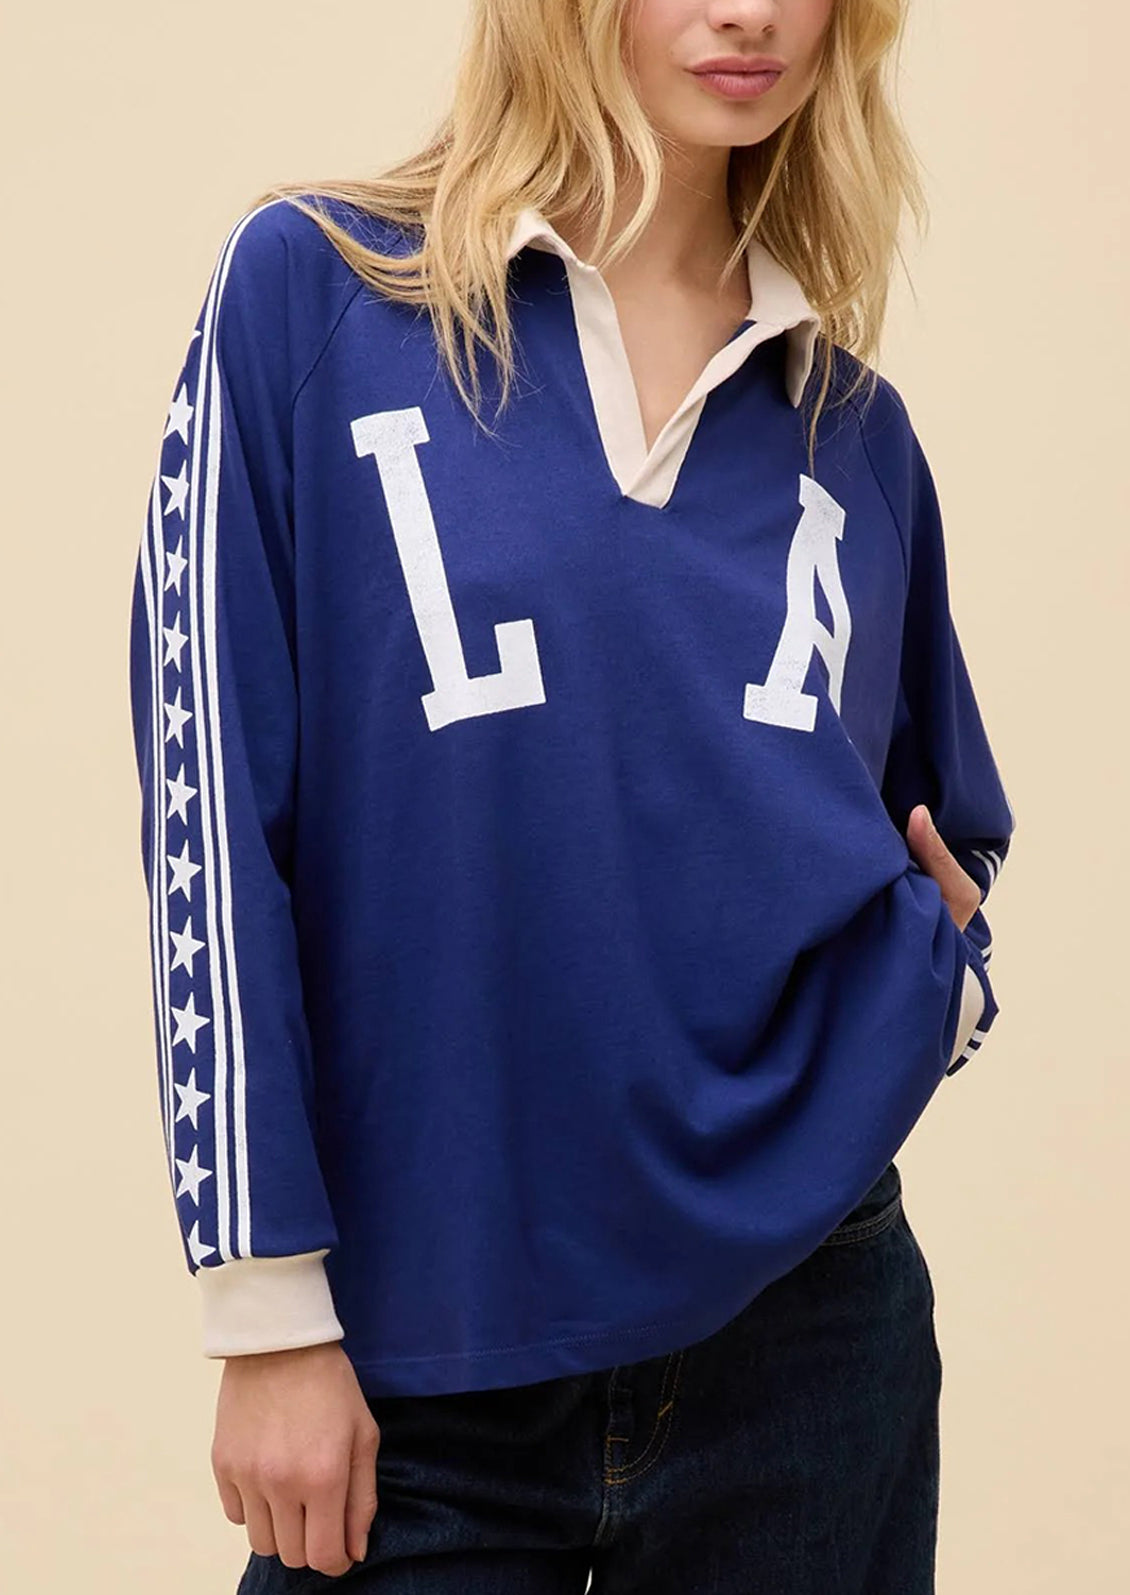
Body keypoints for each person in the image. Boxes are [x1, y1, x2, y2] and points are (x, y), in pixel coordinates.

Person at [127, 1, 1016, 1590]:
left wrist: (931, 999)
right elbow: (207, 803)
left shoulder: (853, 435)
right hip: (424, 1366)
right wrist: (264, 1310)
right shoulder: (313, 294)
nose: (747, 11)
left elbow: (935, 816)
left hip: (809, 1356)